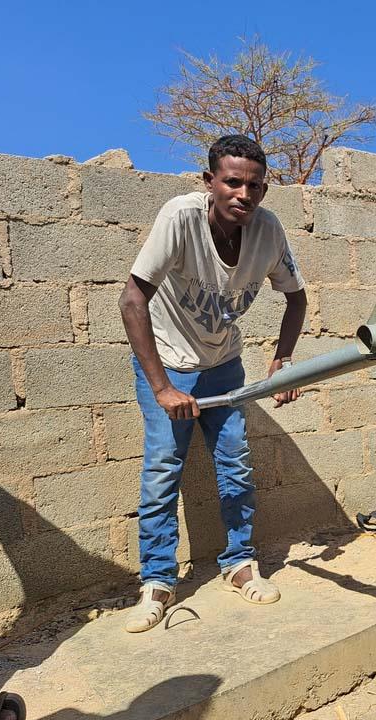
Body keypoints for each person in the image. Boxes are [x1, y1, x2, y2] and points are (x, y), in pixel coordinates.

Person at [118, 135, 307, 633]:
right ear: (210, 183)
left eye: (254, 186)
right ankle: (157, 582)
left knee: (236, 466)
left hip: (223, 362)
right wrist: (162, 388)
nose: (243, 194)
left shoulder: (268, 231)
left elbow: (297, 298)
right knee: (163, 470)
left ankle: (239, 563)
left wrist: (283, 361)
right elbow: (132, 301)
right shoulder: (180, 218)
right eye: (232, 182)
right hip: (167, 362)